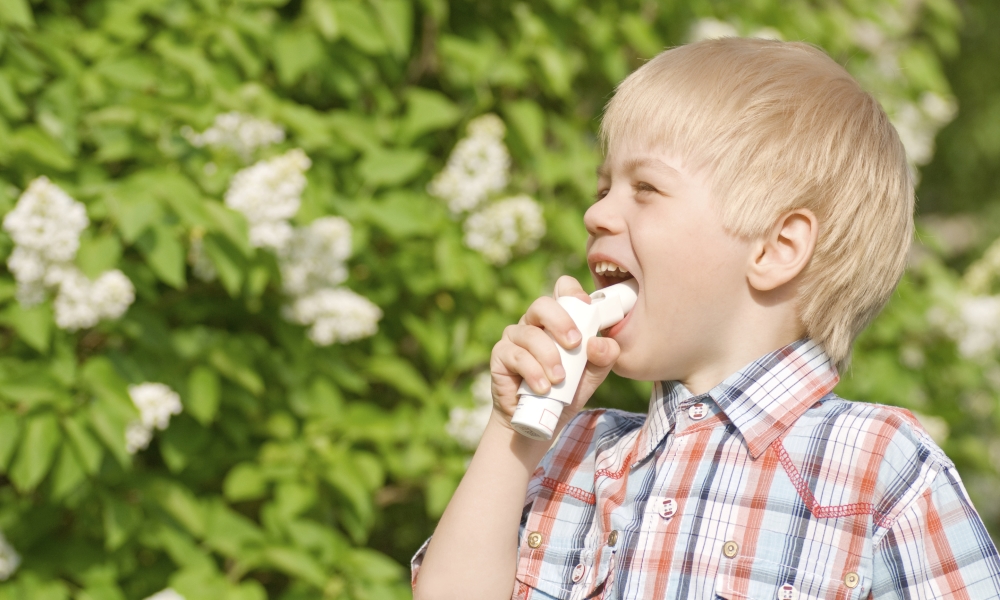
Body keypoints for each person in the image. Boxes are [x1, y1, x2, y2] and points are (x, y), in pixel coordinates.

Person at [411, 37, 1000, 600]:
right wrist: (516, 429)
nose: (595, 213)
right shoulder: (573, 452)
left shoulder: (879, 465)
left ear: (774, 248)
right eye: (603, 186)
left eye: (644, 188)